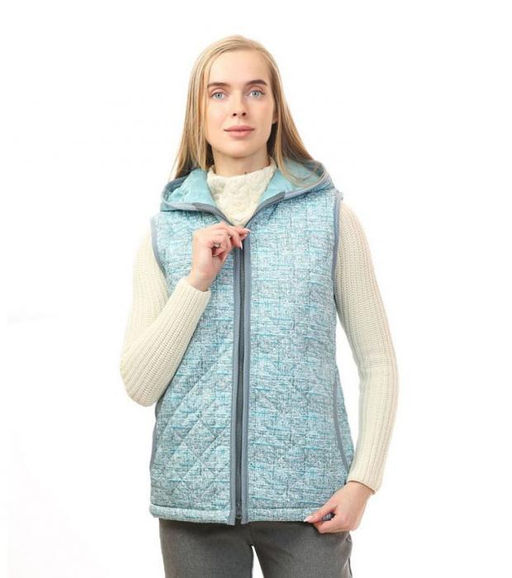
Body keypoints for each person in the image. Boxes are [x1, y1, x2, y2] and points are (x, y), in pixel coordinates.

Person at [119, 35, 398, 578]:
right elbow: (139, 383)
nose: (239, 107)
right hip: (193, 505)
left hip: (311, 504)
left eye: (255, 91)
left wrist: (363, 481)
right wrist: (197, 282)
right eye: (218, 93)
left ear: (275, 108)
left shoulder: (330, 219)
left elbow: (379, 361)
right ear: (199, 113)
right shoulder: (165, 234)